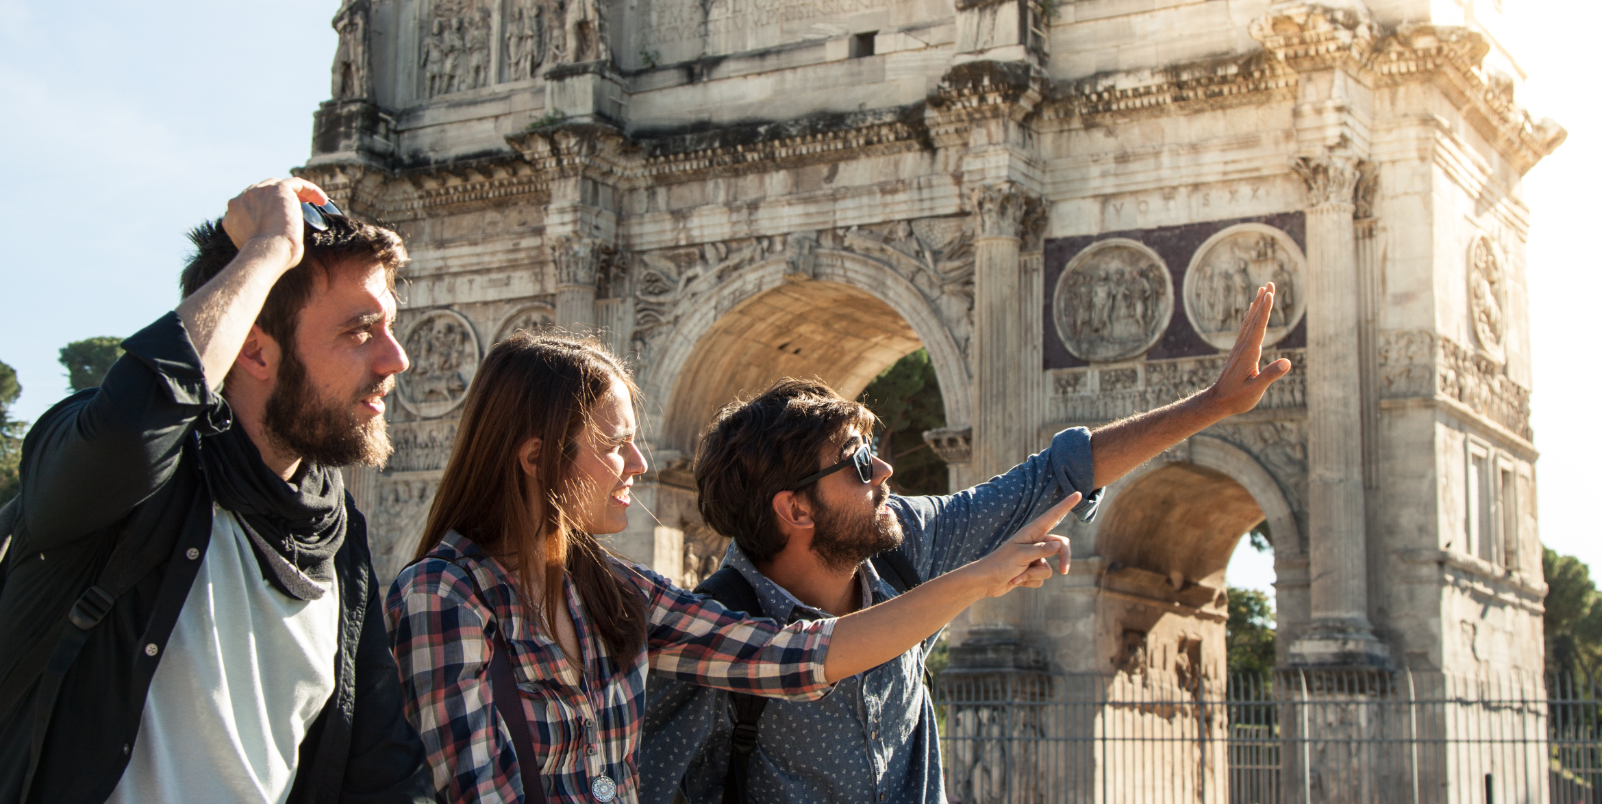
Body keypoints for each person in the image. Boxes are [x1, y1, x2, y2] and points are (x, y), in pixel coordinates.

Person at [639, 285, 1291, 804]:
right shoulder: (713, 641)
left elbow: (1059, 471)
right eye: (860, 463)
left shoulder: (907, 544)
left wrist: (1212, 404)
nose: (886, 472)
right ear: (794, 509)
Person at [385, 332, 1082, 804]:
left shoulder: (615, 590)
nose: (639, 464)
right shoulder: (440, 595)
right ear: (535, 459)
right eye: (615, 445)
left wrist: (981, 578)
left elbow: (794, 657)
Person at [0, 178, 434, 804]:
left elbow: (382, 772)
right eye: (360, 330)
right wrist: (269, 248)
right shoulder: (120, 486)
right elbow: (133, 428)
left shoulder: (337, 537)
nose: (397, 359)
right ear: (254, 350)